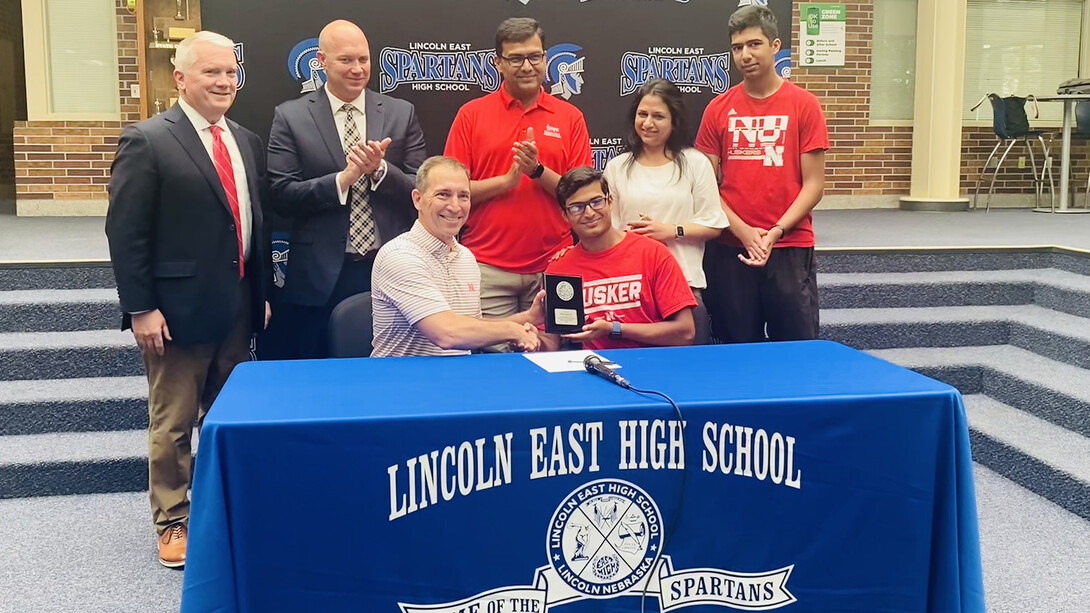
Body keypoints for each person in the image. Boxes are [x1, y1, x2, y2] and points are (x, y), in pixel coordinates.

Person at [104, 31, 271, 569]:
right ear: (181, 78)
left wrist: (260, 292)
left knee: (226, 416)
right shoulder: (148, 140)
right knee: (173, 422)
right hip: (173, 314)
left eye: (231, 73)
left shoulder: (245, 139)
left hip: (238, 305)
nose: (224, 82)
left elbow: (253, 226)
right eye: (211, 73)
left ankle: (221, 508)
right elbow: (126, 234)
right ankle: (172, 520)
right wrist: (140, 307)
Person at [268, 19, 427, 359]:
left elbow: (421, 190)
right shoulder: (291, 117)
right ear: (321, 61)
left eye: (364, 59)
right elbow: (281, 195)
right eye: (346, 60)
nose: (358, 69)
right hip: (319, 278)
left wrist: (380, 170)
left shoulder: (401, 112)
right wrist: (345, 178)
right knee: (317, 381)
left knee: (389, 378)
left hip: (390, 269)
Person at [695, 5, 829, 344]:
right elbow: (705, 186)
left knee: (797, 353)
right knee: (736, 352)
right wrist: (742, 231)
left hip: (788, 246)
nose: (745, 55)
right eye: (737, 47)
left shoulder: (804, 104)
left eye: (754, 44)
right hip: (731, 249)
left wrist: (775, 231)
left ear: (775, 45)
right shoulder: (717, 109)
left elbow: (814, 184)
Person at [445, 17, 592, 323]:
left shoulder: (570, 117)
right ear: (498, 62)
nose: (527, 66)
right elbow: (451, 193)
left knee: (551, 358)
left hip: (555, 265)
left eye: (534, 57)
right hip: (486, 267)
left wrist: (537, 171)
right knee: (489, 364)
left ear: (545, 58)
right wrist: (505, 181)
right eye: (516, 58)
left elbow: (582, 195)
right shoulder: (471, 115)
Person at [371, 157, 543, 357]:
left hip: (456, 380)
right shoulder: (400, 255)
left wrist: (527, 318)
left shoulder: (466, 257)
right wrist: (512, 332)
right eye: (443, 195)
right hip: (402, 383)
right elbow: (446, 333)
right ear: (418, 199)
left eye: (463, 196)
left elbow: (469, 325)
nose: (455, 206)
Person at [542, 167, 696, 351]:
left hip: (653, 365)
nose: (589, 213)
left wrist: (614, 329)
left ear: (610, 202)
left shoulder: (653, 253)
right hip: (592, 369)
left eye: (596, 202)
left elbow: (686, 333)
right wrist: (528, 338)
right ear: (564, 215)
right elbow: (551, 345)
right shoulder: (559, 268)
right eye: (577, 207)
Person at [603, 78, 728, 304]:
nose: (648, 123)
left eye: (658, 116)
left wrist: (671, 231)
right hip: (630, 287)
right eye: (642, 114)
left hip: (684, 284)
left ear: (674, 121)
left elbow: (713, 225)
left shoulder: (695, 163)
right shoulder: (616, 167)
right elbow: (608, 230)